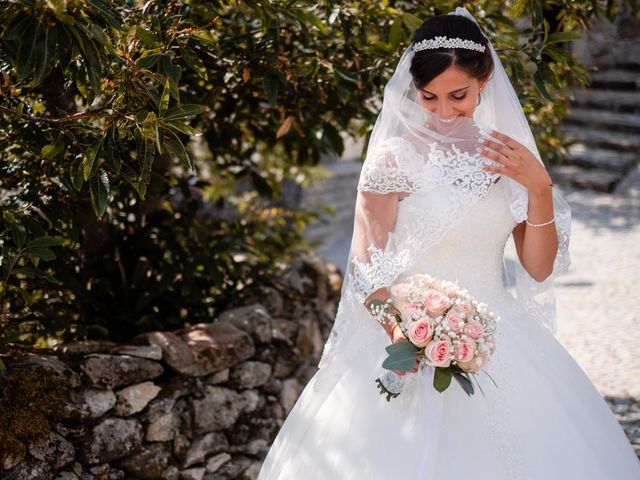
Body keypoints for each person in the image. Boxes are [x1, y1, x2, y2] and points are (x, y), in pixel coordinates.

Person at [256, 7, 640, 479]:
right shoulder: (393, 159)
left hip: (498, 338)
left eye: (457, 95)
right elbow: (366, 267)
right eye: (428, 97)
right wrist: (402, 332)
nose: (442, 113)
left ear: (484, 80)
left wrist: (538, 188)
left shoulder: (508, 157)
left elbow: (537, 269)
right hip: (404, 336)